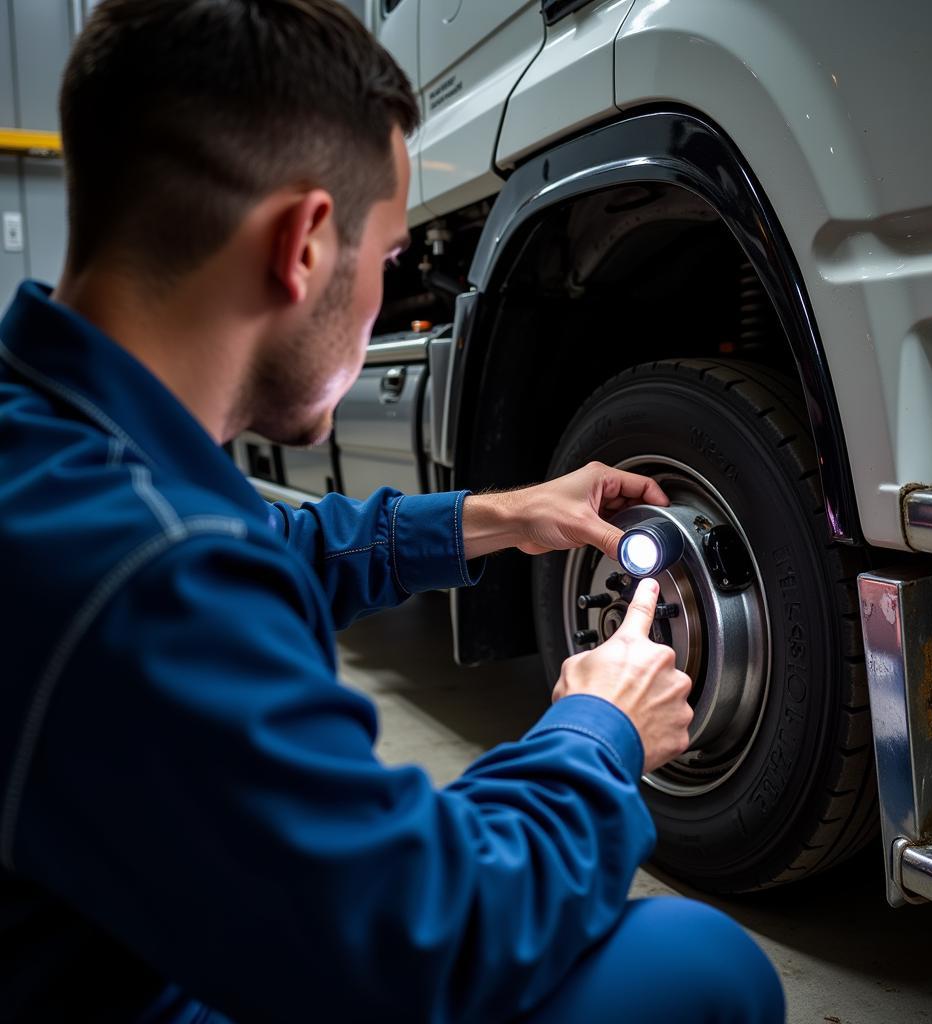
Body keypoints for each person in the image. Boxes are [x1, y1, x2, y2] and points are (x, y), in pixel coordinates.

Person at [0, 1, 785, 1021]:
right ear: (304, 244)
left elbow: (272, 544)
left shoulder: (57, 446)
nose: (386, 295)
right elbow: (432, 935)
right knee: (700, 967)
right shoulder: (142, 571)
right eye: (389, 263)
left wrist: (499, 514)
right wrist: (598, 729)